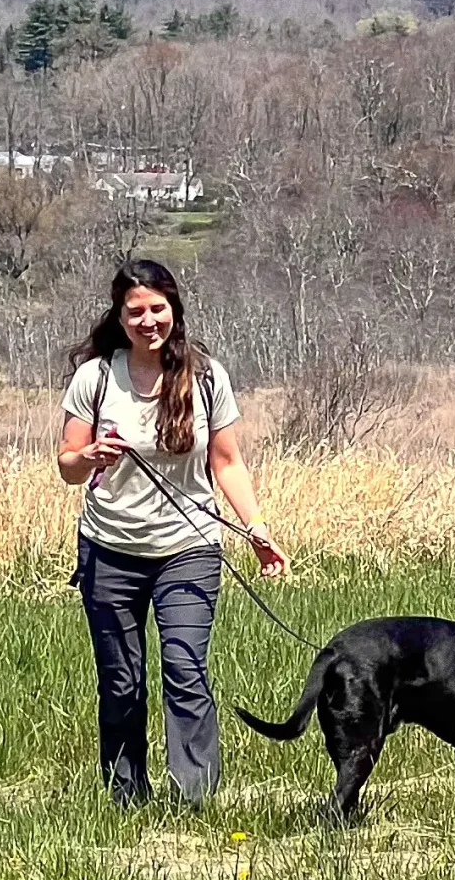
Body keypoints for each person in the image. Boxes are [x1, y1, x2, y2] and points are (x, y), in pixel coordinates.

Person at [57, 258, 284, 807]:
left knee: (184, 665)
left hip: (190, 548)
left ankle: (194, 797)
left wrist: (256, 528)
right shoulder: (94, 377)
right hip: (110, 550)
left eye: (157, 308)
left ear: (174, 310)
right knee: (120, 679)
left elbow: (227, 462)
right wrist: (87, 456)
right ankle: (126, 796)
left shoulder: (206, 376)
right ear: (119, 316)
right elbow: (66, 466)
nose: (147, 320)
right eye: (135, 311)